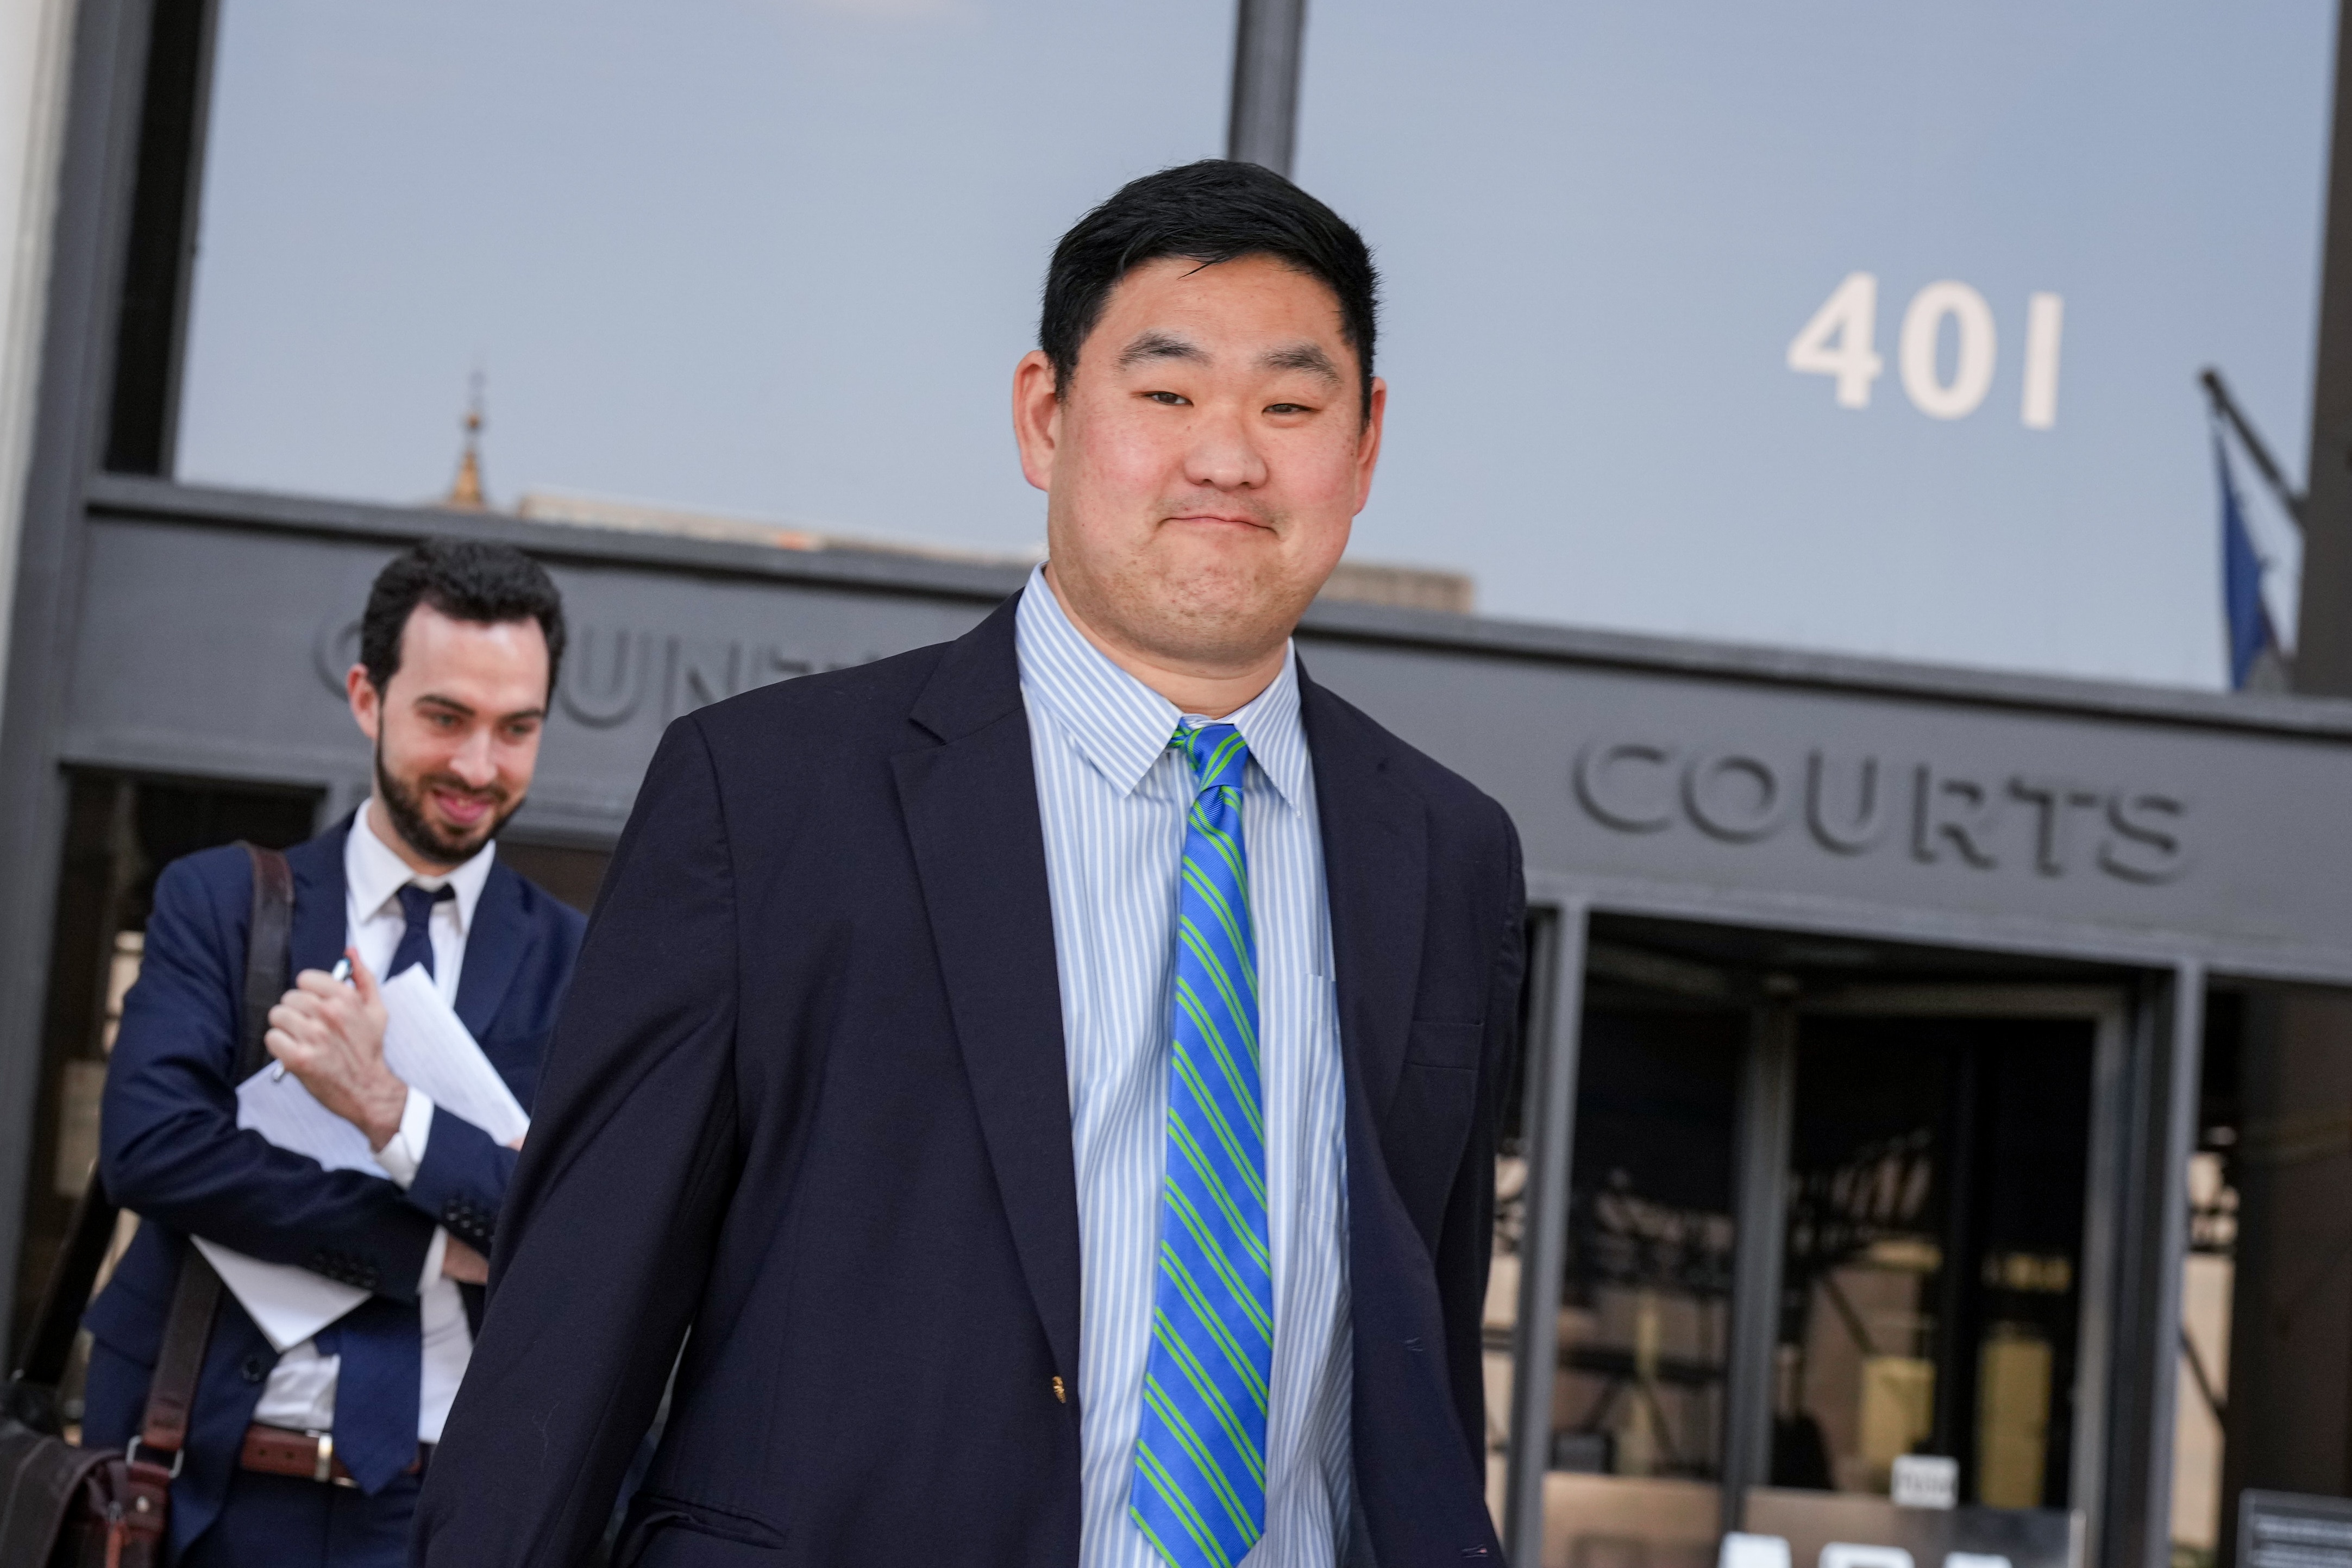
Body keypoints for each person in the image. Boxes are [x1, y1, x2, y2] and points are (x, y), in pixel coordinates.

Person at [416, 160, 1525, 1567]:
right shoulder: (766, 799)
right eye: (1167, 392)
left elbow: (1415, 1362)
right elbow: (569, 1341)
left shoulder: (1446, 855)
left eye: (1291, 406)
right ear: (1045, 416)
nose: (1229, 456)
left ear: (1362, 448)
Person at [83, 539, 586, 1566]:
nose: (478, 767)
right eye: (446, 717)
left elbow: (572, 1221)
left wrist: (390, 1113)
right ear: (368, 698)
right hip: (195, 1492)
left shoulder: (582, 964)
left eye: (516, 728)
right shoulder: (224, 901)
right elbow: (155, 1147)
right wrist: (421, 1243)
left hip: (439, 1516)